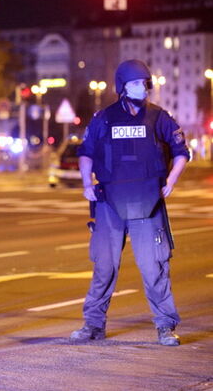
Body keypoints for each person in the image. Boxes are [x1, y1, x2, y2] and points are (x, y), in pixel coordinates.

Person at [70, 59, 189, 346]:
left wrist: (171, 180)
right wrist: (87, 184)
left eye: (144, 83)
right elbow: (86, 153)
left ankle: (165, 326)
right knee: (104, 267)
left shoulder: (159, 117)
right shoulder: (103, 118)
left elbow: (181, 151)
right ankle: (93, 325)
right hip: (109, 202)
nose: (142, 88)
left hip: (147, 201)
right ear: (122, 86)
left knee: (154, 267)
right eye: (135, 83)